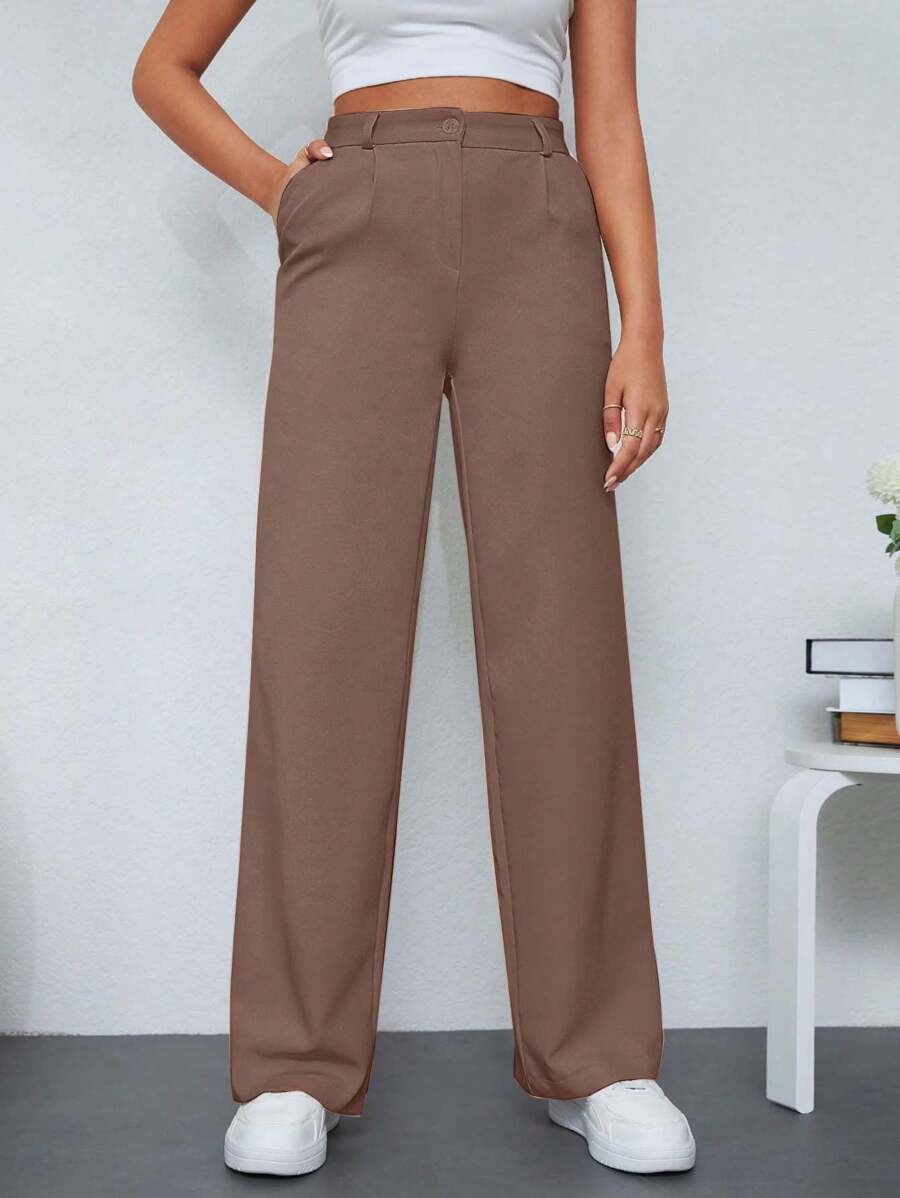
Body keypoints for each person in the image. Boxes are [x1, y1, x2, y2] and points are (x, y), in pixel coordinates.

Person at [133, 0, 695, 1178]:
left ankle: (597, 1057)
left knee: (565, 646)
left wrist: (642, 325)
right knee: (321, 639)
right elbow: (165, 68)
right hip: (357, 223)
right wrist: (282, 189)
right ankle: (293, 1063)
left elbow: (609, 113)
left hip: (539, 218)